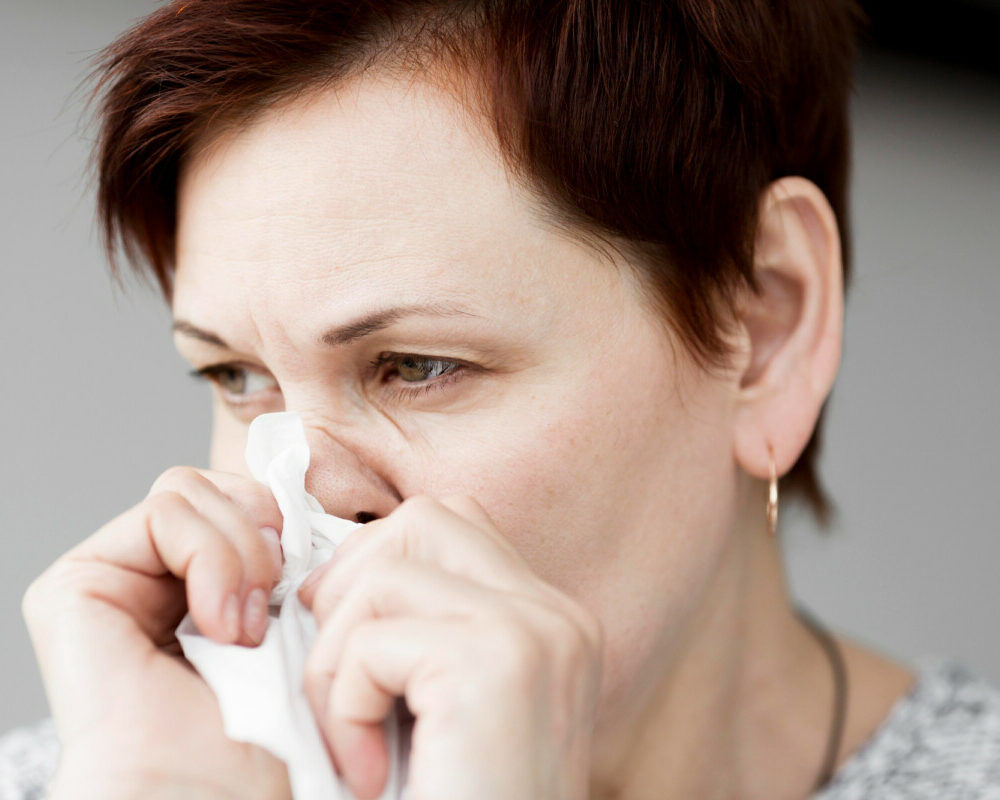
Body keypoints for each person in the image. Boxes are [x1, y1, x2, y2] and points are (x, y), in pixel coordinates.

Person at [4, 1, 999, 798]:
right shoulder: (95, 773)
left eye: (418, 363)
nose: (300, 494)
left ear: (765, 328)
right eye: (235, 375)